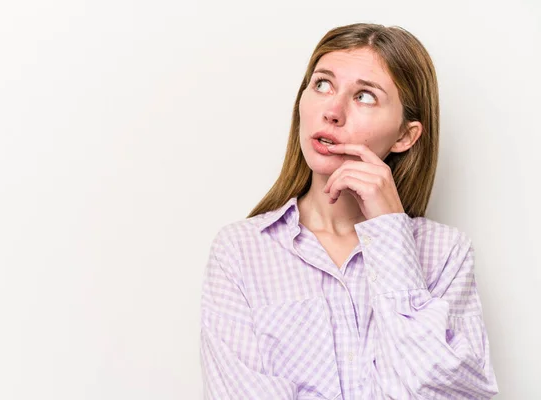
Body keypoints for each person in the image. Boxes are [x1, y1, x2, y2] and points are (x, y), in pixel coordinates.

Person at [199, 23, 499, 399]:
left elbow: (449, 394)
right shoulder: (241, 250)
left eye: (365, 97)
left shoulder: (445, 254)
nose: (333, 112)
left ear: (406, 135)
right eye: (322, 84)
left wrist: (389, 232)